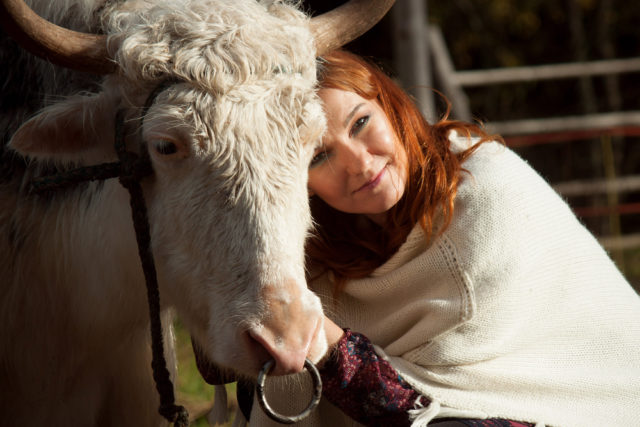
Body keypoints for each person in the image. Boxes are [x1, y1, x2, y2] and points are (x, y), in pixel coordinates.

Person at [199, 50, 640, 426]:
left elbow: (418, 413)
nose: (358, 163)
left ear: (391, 105)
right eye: (320, 156)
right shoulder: (312, 253)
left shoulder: (485, 189)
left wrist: (319, 338)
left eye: (360, 124)